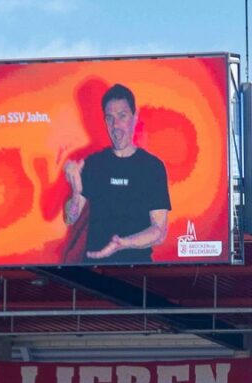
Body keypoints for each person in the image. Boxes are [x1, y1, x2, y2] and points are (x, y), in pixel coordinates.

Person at [62, 83, 171, 263]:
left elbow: (158, 231)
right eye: (110, 118)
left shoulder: (152, 167)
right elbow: (70, 218)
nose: (116, 125)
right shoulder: (92, 164)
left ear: (134, 117)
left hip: (138, 271)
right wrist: (75, 190)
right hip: (95, 270)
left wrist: (122, 243)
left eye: (122, 116)